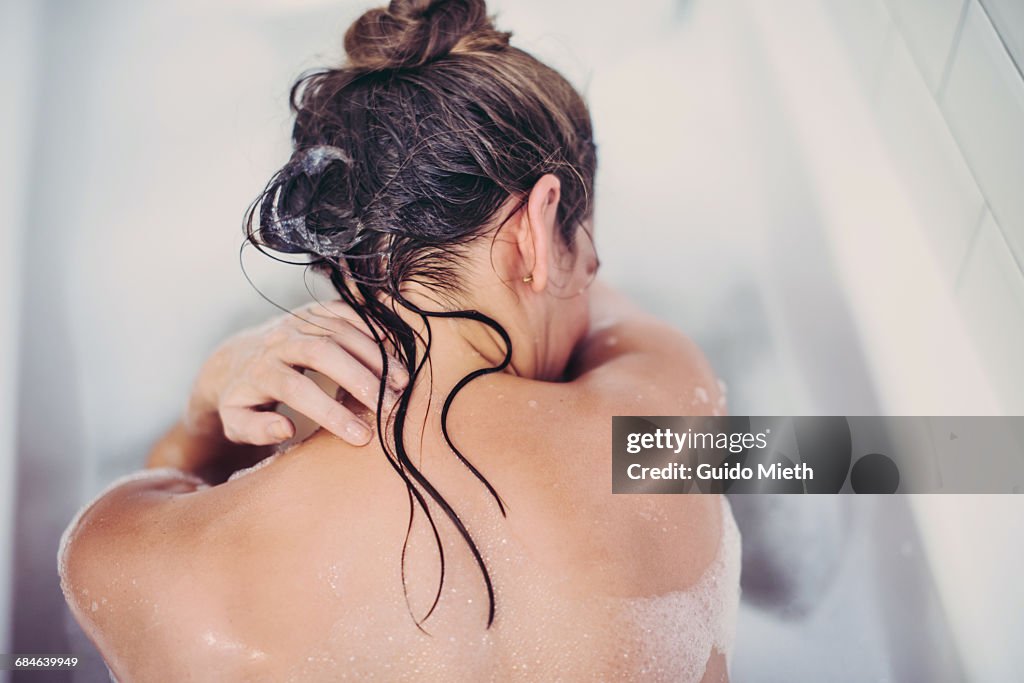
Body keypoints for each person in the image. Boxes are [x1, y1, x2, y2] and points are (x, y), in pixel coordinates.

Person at [58, 0, 740, 680]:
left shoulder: (138, 563)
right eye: (587, 257)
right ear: (538, 227)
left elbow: (167, 477)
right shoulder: (660, 418)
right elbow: (835, 458)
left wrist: (208, 401)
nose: (592, 281)